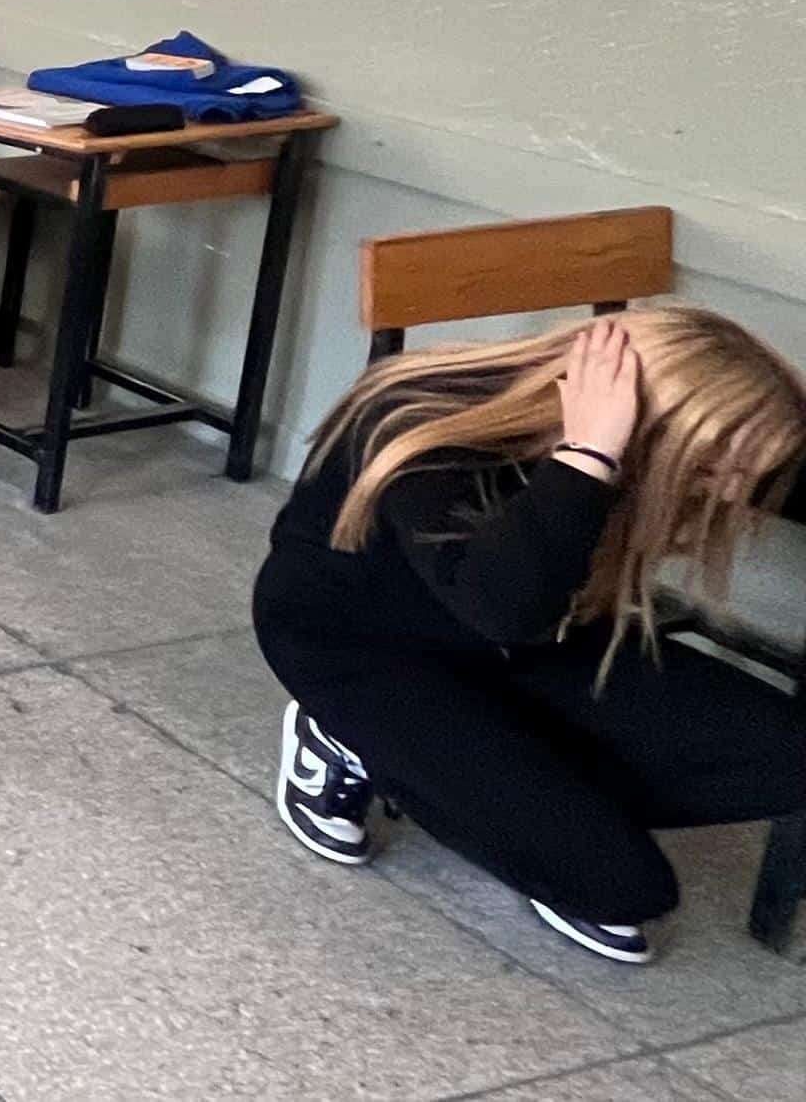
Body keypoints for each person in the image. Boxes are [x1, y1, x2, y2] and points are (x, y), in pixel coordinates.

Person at [257, 310, 806, 965]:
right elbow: (501, 608)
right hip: (368, 648)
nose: (737, 494)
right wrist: (589, 457)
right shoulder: (421, 417)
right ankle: (344, 738)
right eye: (717, 469)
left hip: (534, 635)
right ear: (649, 422)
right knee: (625, 887)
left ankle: (538, 797)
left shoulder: (652, 449)